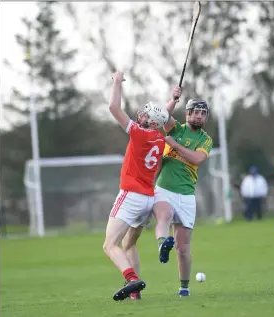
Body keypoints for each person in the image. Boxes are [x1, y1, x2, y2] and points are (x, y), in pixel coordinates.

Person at [103, 72, 179, 301]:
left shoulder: (138, 133)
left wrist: (116, 82)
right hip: (148, 198)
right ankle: (135, 292)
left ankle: (131, 279)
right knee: (129, 244)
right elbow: (162, 116)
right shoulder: (158, 136)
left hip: (131, 195)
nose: (141, 115)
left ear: (150, 121)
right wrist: (172, 101)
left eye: (146, 114)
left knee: (110, 245)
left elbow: (113, 108)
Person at [153, 96, 213, 297]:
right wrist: (173, 99)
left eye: (203, 113)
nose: (199, 116)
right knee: (164, 215)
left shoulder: (205, 139)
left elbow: (197, 158)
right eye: (196, 112)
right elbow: (161, 116)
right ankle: (162, 242)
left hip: (187, 194)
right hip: (165, 188)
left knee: (183, 248)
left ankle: (184, 288)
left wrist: (175, 145)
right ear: (187, 113)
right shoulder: (175, 128)